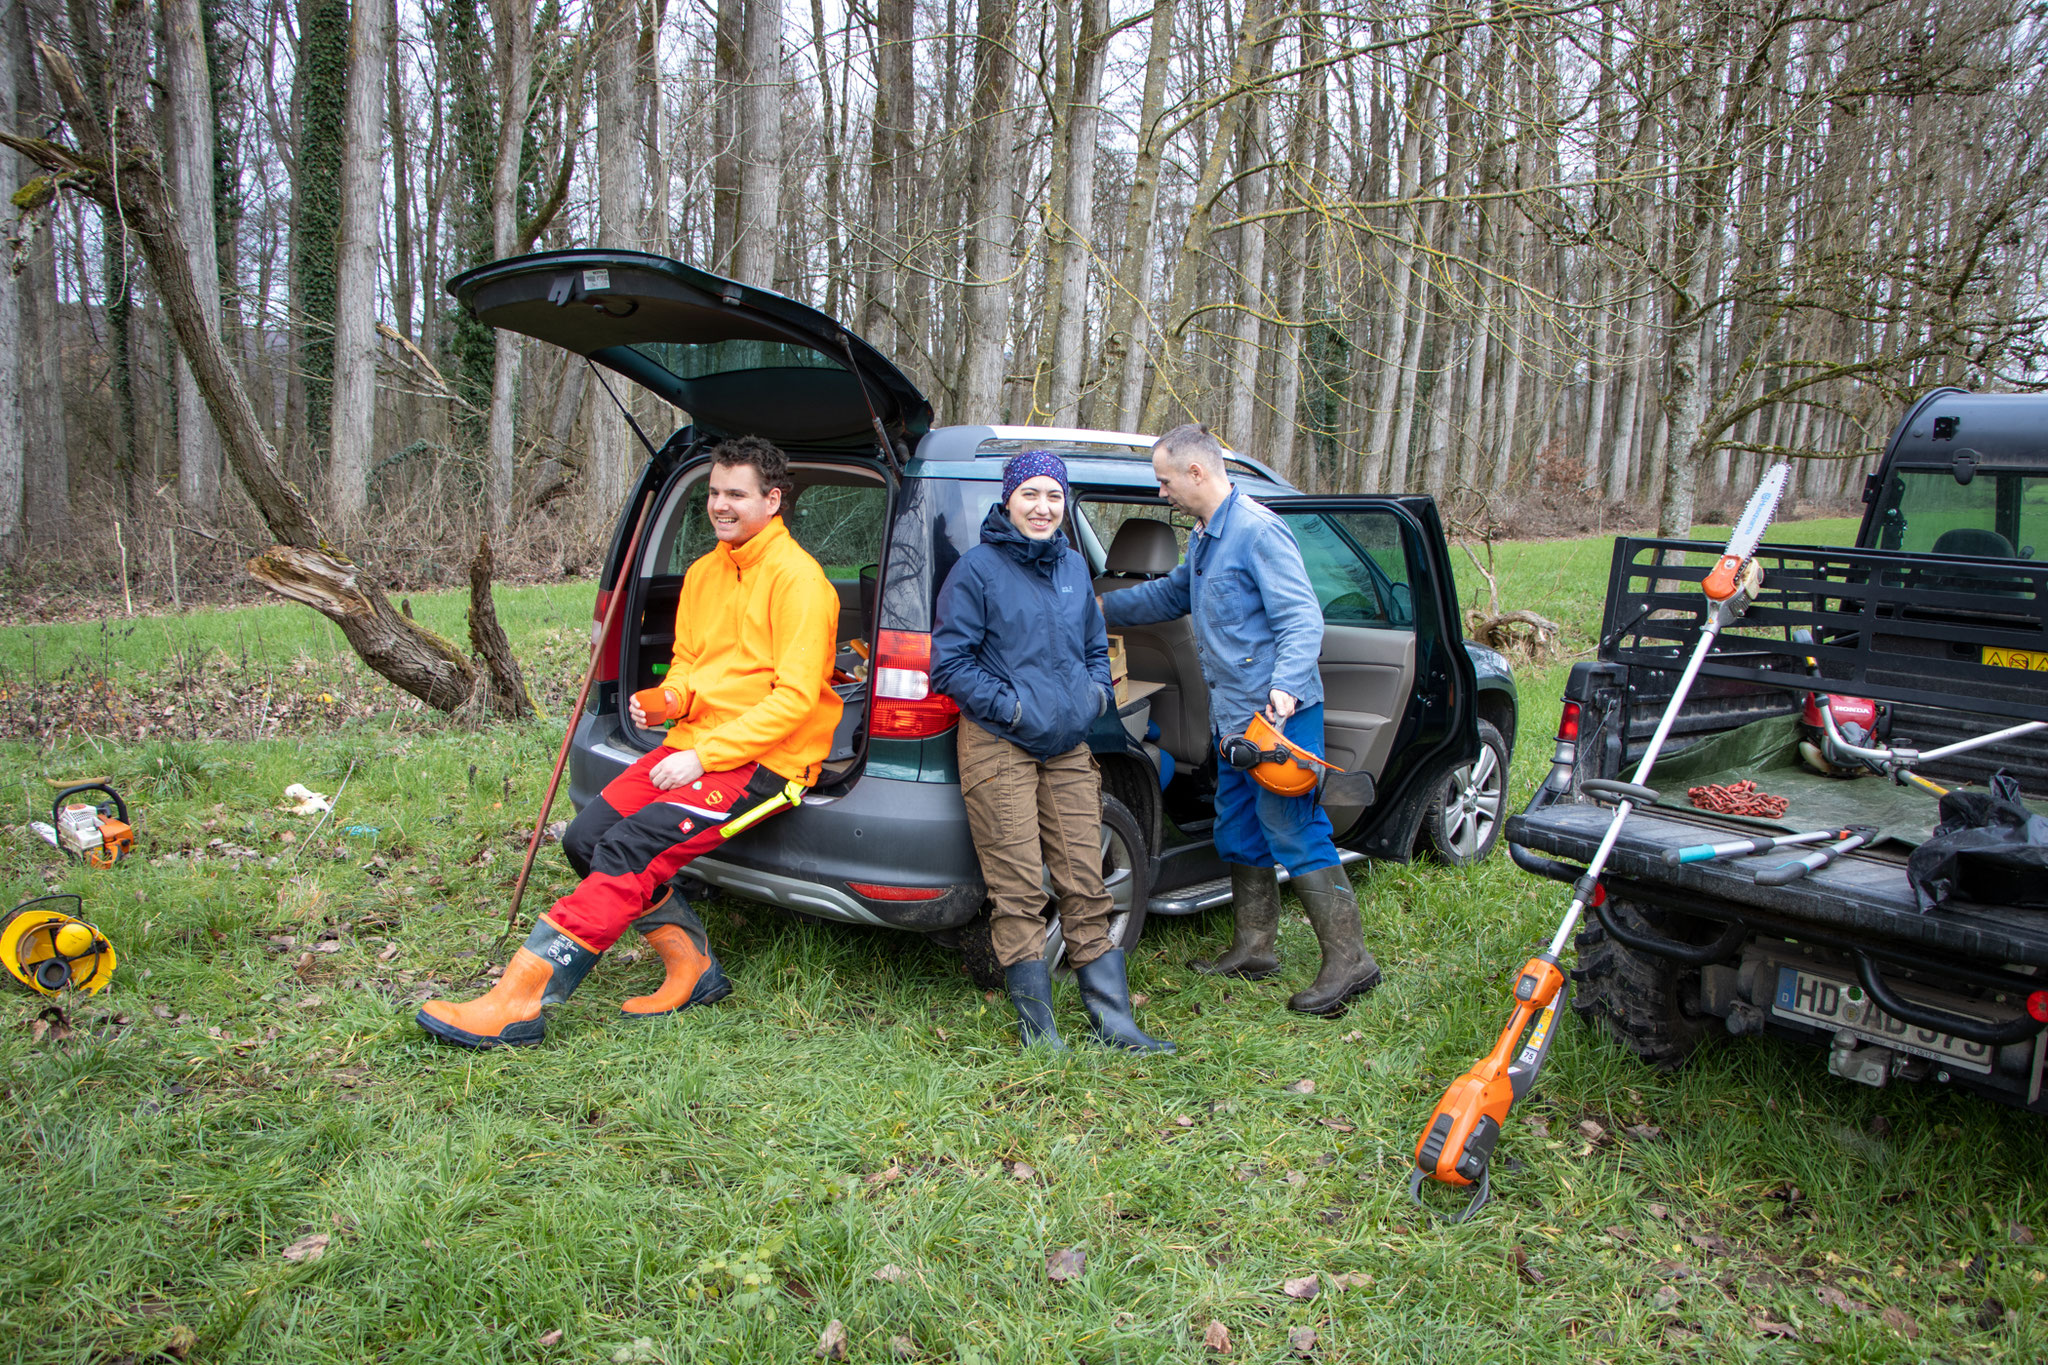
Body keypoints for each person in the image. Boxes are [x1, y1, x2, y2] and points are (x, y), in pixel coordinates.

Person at [416, 437, 843, 1047]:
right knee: (588, 840)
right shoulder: (704, 572)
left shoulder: (801, 582)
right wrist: (671, 699)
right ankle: (690, 965)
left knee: (629, 850)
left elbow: (795, 701)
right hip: (694, 744)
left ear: (772, 501)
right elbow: (692, 664)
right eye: (715, 492)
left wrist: (703, 756)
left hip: (767, 765)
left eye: (737, 494)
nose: (720, 505)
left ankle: (521, 998)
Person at [1100, 423, 1381, 1017]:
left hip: (1278, 719)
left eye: (1165, 480)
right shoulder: (1205, 538)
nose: (1162, 492)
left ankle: (1352, 960)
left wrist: (1282, 690)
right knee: (1239, 826)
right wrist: (1096, 607)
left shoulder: (1257, 532)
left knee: (1292, 827)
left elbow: (1302, 619)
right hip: (1233, 721)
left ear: (1197, 473)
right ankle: (1255, 947)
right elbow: (1170, 596)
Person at [932, 451, 1173, 1053]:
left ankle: (1113, 1022)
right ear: (1009, 499)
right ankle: (1040, 1035)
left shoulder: (1071, 568)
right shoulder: (976, 571)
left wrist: (1094, 696)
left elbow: (1097, 647)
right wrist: (1012, 709)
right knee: (1017, 890)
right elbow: (950, 665)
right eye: (1031, 494)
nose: (1043, 508)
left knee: (1085, 882)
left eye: (1054, 497)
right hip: (999, 744)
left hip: (1068, 746)